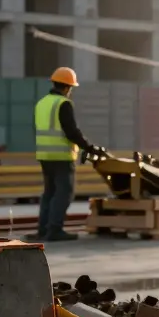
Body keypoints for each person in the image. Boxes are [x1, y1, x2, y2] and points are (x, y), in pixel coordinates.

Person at [31, 67, 104, 242]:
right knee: (64, 192)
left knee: (49, 192)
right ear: (67, 87)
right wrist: (89, 147)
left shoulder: (42, 103)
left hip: (44, 155)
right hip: (61, 156)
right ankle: (55, 230)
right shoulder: (63, 104)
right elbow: (71, 131)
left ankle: (43, 230)